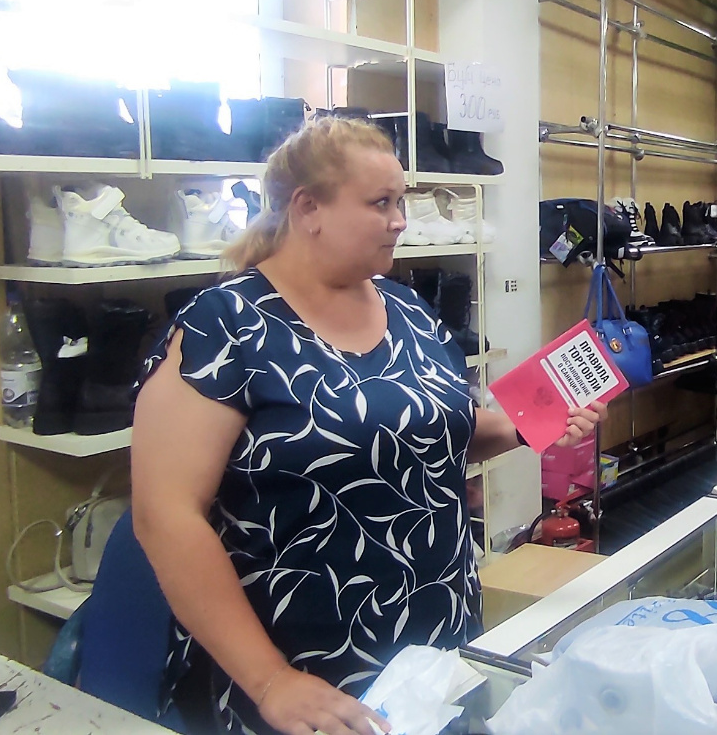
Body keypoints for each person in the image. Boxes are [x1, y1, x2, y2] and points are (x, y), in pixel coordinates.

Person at [131, 117, 604, 735]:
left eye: (401, 201)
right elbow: (165, 517)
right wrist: (270, 680)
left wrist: (525, 427)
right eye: (381, 203)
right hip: (301, 671)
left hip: (434, 649)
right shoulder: (226, 327)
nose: (400, 220)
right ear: (309, 209)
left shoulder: (407, 309)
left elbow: (434, 435)